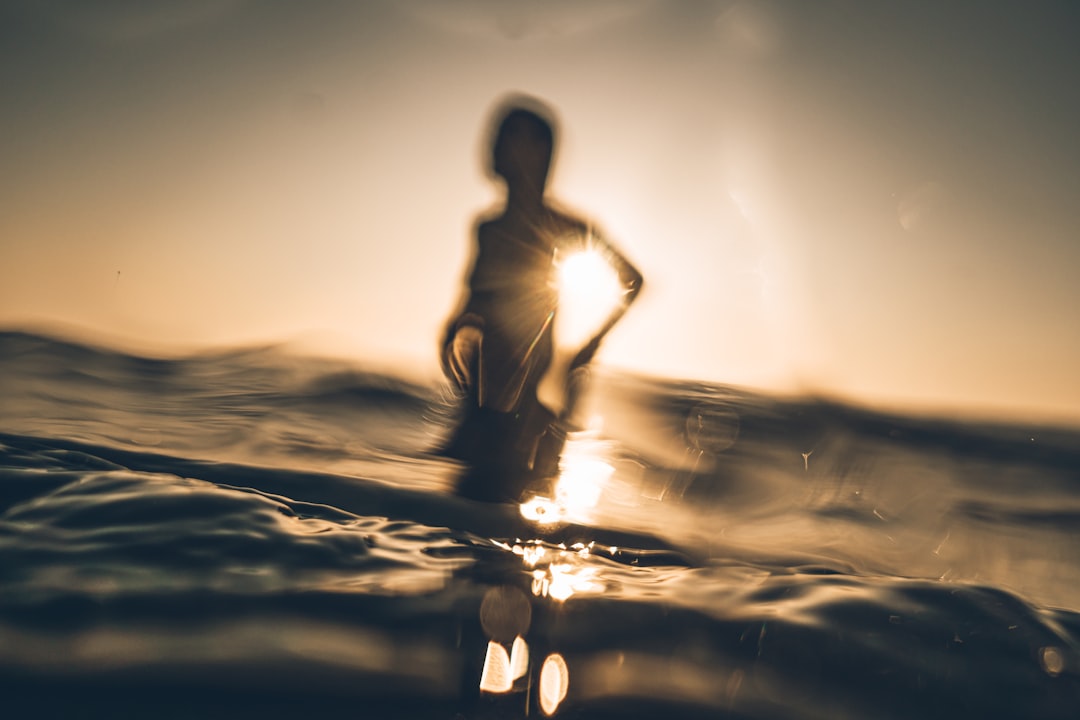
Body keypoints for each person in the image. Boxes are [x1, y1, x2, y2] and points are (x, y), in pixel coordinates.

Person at [440, 96, 642, 502]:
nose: (493, 144)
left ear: (539, 152)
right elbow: (473, 301)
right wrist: (455, 328)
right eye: (496, 135)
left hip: (532, 404)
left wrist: (588, 347)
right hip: (480, 399)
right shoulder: (488, 229)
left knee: (514, 508)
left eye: (506, 136)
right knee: (465, 517)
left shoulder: (563, 226)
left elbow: (633, 281)